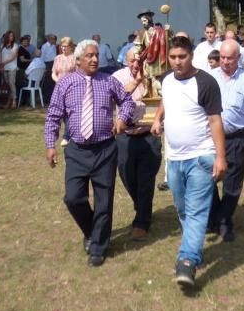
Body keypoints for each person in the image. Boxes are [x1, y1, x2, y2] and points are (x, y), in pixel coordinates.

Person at [44, 39, 135, 267]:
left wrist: (123, 118)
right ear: (78, 60)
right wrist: (50, 144)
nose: (95, 59)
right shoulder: (65, 84)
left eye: (96, 55)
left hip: (105, 149)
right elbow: (53, 115)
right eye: (89, 56)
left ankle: (98, 247)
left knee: (104, 201)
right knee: (73, 198)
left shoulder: (109, 81)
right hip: (76, 151)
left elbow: (127, 102)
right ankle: (92, 231)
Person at [151, 36, 226, 288]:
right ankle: (194, 249)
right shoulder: (167, 80)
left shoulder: (206, 82)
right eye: (172, 57)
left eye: (181, 57)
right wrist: (157, 119)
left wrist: (220, 157)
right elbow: (166, 100)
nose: (177, 62)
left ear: (191, 55)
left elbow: (215, 121)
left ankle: (187, 261)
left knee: (195, 211)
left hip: (201, 157)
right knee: (182, 209)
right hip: (174, 159)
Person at [208, 39, 244, 242]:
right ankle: (213, 217)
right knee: (208, 179)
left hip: (235, 137)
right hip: (210, 138)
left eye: (230, 58)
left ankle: (224, 221)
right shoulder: (209, 78)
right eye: (222, 57)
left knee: (232, 182)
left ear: (238, 58)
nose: (225, 62)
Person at [112, 49, 161, 240]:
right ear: (126, 60)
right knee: (127, 176)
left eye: (139, 60)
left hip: (149, 135)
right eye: (132, 60)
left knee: (146, 180)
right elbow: (118, 96)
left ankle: (142, 221)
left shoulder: (153, 76)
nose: (136, 64)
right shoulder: (118, 77)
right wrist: (137, 81)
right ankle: (141, 206)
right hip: (125, 136)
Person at [52, 37, 77, 146]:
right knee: (62, 112)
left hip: (72, 88)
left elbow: (78, 73)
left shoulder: (75, 58)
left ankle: (67, 136)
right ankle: (68, 134)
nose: (63, 48)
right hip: (60, 87)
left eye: (65, 46)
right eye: (62, 46)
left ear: (71, 47)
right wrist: (57, 81)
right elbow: (53, 73)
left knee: (70, 112)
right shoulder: (57, 58)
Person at [134, 9, 170, 80]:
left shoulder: (160, 31)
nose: (143, 23)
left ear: (149, 20)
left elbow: (169, 41)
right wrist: (136, 53)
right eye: (142, 21)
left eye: (144, 21)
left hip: (160, 58)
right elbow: (138, 45)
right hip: (149, 58)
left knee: (161, 77)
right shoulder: (142, 33)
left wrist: (167, 32)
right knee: (150, 79)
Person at [0, 31, 18, 109]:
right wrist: (1, 64)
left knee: (11, 83)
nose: (11, 37)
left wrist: (3, 63)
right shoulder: (2, 46)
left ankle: (14, 101)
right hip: (4, 67)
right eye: (10, 36)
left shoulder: (15, 45)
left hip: (12, 67)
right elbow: (0, 55)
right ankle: (8, 101)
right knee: (7, 85)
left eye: (12, 36)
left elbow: (13, 57)